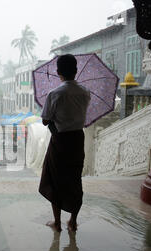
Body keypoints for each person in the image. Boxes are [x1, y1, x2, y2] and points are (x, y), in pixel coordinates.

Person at [39, 54, 91, 232]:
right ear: (76, 71)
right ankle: (73, 221)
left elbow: (45, 120)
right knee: (74, 180)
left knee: (55, 180)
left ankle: (57, 222)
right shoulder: (85, 92)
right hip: (77, 140)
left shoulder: (55, 94)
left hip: (60, 141)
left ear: (58, 72)